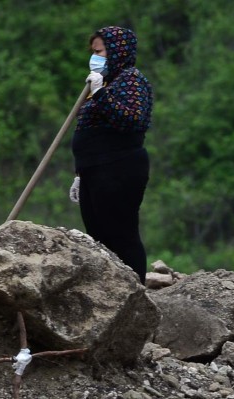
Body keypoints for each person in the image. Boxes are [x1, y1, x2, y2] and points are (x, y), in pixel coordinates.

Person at [70, 26, 153, 284]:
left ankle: (135, 291)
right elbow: (89, 130)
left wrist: (101, 95)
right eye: (93, 52)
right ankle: (110, 292)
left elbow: (132, 120)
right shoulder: (105, 82)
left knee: (121, 234)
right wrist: (80, 173)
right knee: (98, 236)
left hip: (119, 168)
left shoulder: (132, 80)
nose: (95, 57)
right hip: (94, 169)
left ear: (117, 51)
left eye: (100, 52)